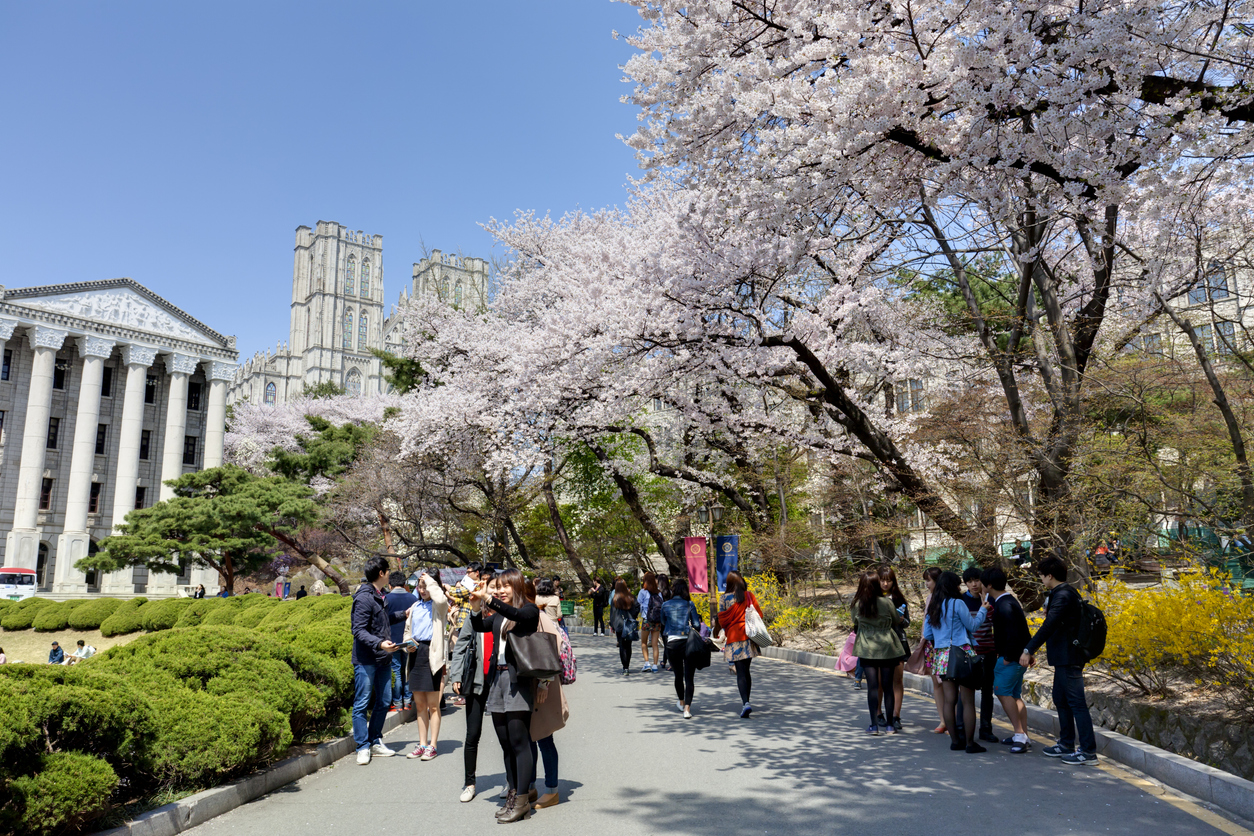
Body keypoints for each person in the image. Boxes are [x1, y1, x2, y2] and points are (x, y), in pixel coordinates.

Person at [468, 569, 542, 823]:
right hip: (497, 681)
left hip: (518, 682)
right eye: (496, 587)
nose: (499, 590)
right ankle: (513, 793)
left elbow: (518, 615)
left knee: (520, 741)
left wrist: (489, 599)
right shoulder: (499, 615)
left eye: (504, 586)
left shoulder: (529, 611)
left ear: (517, 586)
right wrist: (476, 606)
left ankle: (522, 799)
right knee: (505, 743)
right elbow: (479, 626)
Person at [1021, 556, 1098, 765]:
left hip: (1069, 657)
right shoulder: (1061, 594)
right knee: (1061, 699)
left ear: (1049, 575)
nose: (1040, 579)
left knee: (1076, 703)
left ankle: (1088, 752)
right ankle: (1065, 743)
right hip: (1064, 657)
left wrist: (1028, 649)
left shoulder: (1063, 595)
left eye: (1041, 575)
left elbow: (1049, 626)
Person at [923, 570, 990, 753]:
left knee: (948, 701)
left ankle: (955, 741)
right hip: (962, 654)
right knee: (967, 701)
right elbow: (973, 626)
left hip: (942, 656)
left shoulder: (933, 606)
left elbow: (927, 634)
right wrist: (983, 609)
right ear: (954, 585)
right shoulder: (957, 603)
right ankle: (969, 743)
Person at [351, 556, 403, 765]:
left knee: (383, 700)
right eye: (388, 570)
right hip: (366, 659)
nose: (390, 573)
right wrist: (379, 643)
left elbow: (382, 622)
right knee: (362, 702)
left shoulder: (381, 595)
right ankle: (362, 746)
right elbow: (358, 630)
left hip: (383, 658)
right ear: (381, 573)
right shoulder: (364, 598)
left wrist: (403, 614)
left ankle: (375, 740)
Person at [525, 582, 570, 810]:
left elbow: (555, 645)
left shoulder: (538, 616)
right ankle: (531, 785)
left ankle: (551, 790)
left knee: (543, 737)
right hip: (527, 685)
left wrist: (543, 682)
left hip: (542, 685)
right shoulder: (521, 615)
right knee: (530, 737)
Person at [981, 567, 1033, 753]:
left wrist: (1008, 657)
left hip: (1009, 659)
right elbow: (1024, 630)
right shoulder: (1010, 601)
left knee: (1002, 692)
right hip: (1018, 657)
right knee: (1014, 695)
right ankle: (1023, 734)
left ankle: (1019, 734)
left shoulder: (1003, 606)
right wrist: (1028, 651)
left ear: (989, 585)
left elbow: (1012, 634)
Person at [449, 582, 491, 803]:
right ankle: (469, 782)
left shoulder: (507, 616)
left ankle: (511, 783)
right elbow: (461, 646)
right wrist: (456, 675)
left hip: (500, 685)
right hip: (476, 682)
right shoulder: (475, 617)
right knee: (472, 735)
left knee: (508, 737)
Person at [851, 570, 905, 734]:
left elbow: (855, 623)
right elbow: (896, 620)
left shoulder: (857, 604)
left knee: (873, 687)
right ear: (877, 585)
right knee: (888, 687)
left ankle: (874, 725)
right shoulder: (886, 602)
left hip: (867, 649)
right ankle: (890, 725)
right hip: (887, 647)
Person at [404, 570, 449, 761]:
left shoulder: (439, 606)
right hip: (416, 654)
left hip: (433, 655)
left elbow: (440, 598)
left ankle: (433, 745)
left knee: (433, 705)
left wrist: (430, 580)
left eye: (426, 586)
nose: (422, 590)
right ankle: (422, 744)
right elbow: (407, 630)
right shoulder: (414, 606)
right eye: (420, 586)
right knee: (420, 704)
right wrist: (408, 643)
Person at [713, 570, 765, 718]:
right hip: (749, 637)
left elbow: (722, 620)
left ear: (728, 583)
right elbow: (759, 615)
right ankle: (747, 702)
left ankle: (745, 703)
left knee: (740, 672)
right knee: (746, 671)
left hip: (735, 638)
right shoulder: (749, 596)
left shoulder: (724, 599)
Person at [962, 567, 999, 744]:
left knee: (987, 691)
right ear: (965, 583)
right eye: (970, 581)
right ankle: (962, 728)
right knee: (966, 692)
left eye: (977, 580)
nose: (974, 584)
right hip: (969, 654)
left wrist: (988, 605)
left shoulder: (991, 600)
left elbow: (996, 623)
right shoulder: (961, 602)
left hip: (989, 651)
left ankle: (986, 728)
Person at [661, 579, 703, 718]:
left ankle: (681, 701)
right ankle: (687, 709)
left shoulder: (665, 605)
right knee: (689, 677)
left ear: (673, 590)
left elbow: (663, 622)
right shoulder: (689, 604)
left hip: (672, 643)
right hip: (688, 643)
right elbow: (697, 625)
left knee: (678, 675)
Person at [877, 565, 911, 732]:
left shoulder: (898, 598)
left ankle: (896, 715)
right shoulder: (872, 597)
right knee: (879, 682)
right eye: (882, 580)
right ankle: (878, 713)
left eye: (888, 581)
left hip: (898, 643)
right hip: (878, 645)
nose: (885, 584)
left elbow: (907, 623)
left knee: (897, 680)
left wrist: (902, 619)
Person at [384, 571, 418, 713]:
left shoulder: (386, 598)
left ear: (390, 585)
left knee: (396, 671)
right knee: (408, 670)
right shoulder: (413, 598)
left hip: (392, 642)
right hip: (410, 640)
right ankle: (408, 701)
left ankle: (397, 702)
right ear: (404, 584)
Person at [920, 566, 947, 733]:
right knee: (937, 684)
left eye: (928, 581)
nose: (927, 584)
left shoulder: (951, 599)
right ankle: (943, 720)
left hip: (946, 647)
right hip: (931, 646)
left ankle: (953, 720)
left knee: (950, 685)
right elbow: (926, 624)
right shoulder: (930, 598)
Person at [609, 579, 641, 675]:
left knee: (622, 646)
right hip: (629, 624)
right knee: (629, 645)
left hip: (619, 624)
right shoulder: (631, 597)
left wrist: (612, 625)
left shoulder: (615, 598)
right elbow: (637, 607)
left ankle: (625, 667)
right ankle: (628, 664)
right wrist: (633, 616)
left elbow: (612, 613)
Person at [637, 572, 664, 672]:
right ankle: (655, 665)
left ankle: (647, 663)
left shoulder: (642, 592)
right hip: (657, 620)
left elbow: (638, 605)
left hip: (647, 619)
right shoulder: (658, 592)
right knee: (655, 643)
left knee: (644, 642)